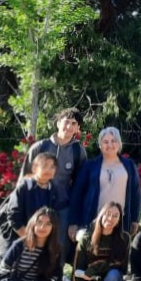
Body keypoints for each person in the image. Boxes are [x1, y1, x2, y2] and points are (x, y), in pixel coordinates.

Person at [23, 108, 86, 264]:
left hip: (62, 208)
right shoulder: (40, 147)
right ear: (58, 123)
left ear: (77, 128)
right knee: (34, 247)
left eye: (74, 124)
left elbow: (80, 188)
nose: (69, 127)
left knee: (58, 250)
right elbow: (24, 180)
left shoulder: (78, 152)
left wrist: (75, 220)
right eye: (66, 122)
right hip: (37, 206)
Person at [71, 127, 141, 236]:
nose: (110, 145)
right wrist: (74, 222)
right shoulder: (90, 166)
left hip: (120, 222)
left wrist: (134, 219)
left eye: (113, 141)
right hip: (94, 220)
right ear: (100, 145)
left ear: (119, 144)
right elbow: (77, 194)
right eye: (105, 142)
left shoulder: (129, 166)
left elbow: (136, 193)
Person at [70, 202, 128, 281]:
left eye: (115, 216)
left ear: (119, 220)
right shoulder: (86, 239)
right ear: (101, 216)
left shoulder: (124, 238)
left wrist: (93, 269)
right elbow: (76, 271)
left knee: (114, 275)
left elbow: (121, 265)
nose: (110, 219)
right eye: (108, 214)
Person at [0, 153, 56, 260]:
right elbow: (13, 217)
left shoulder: (51, 189)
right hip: (15, 235)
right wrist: (29, 238)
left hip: (35, 239)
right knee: (6, 271)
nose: (48, 170)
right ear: (34, 168)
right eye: (44, 166)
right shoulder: (25, 186)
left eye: (52, 167)